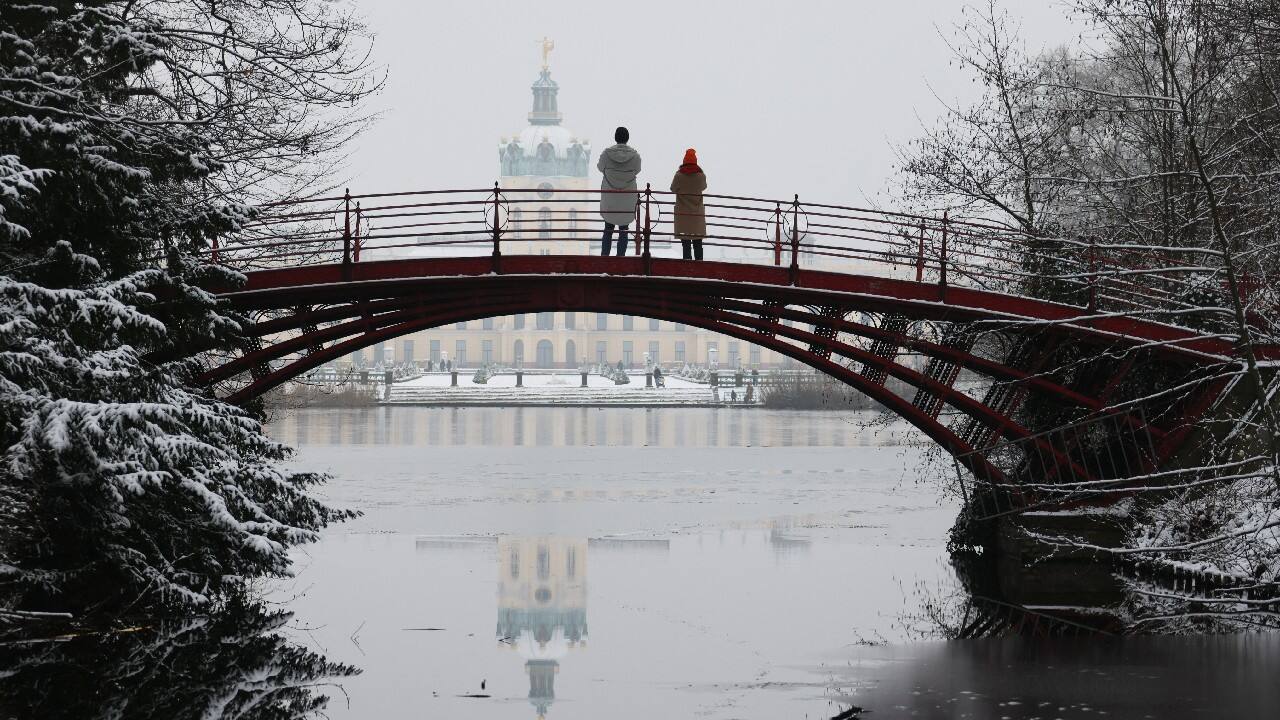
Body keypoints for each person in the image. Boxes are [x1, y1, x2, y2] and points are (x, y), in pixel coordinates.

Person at [598, 126, 642, 256]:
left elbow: (600, 167)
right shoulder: (635, 156)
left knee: (608, 229)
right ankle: (620, 258)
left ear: (615, 138)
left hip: (610, 197)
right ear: (627, 138)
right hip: (627, 196)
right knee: (624, 229)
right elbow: (638, 170)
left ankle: (604, 257)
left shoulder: (606, 154)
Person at [670, 148, 707, 260]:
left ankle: (687, 267)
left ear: (684, 161)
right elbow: (704, 187)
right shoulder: (701, 176)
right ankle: (699, 266)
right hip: (697, 215)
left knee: (685, 244)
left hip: (683, 214)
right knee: (698, 243)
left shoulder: (679, 175)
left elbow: (673, 188)